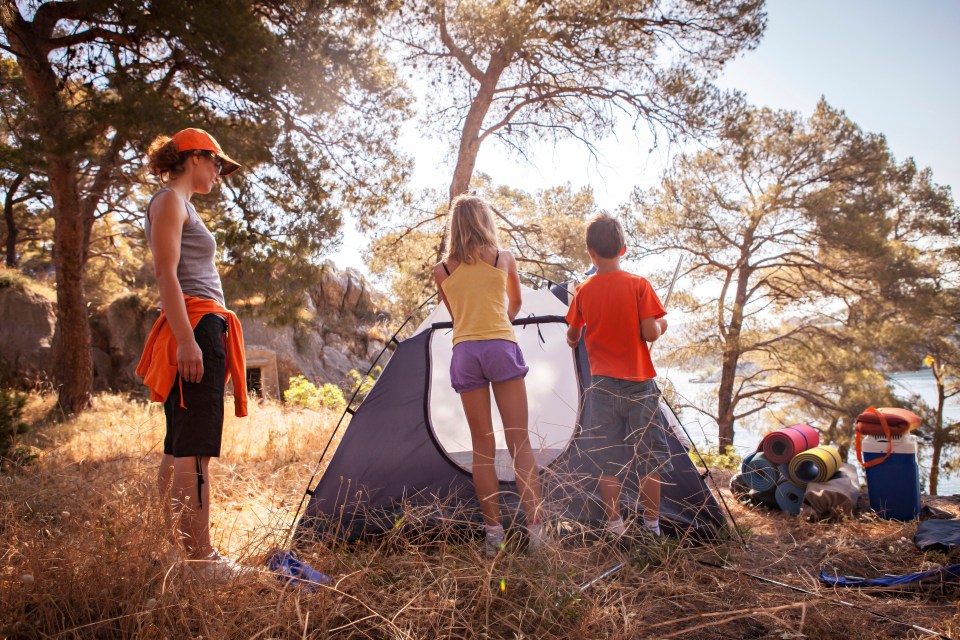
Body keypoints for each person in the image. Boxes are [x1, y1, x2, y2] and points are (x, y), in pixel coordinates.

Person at [136, 128, 249, 580]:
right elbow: (166, 274)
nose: (219, 175)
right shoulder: (168, 201)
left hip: (203, 325)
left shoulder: (182, 206)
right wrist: (186, 339)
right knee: (195, 447)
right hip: (195, 325)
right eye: (217, 164)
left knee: (179, 443)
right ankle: (202, 560)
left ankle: (170, 546)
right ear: (195, 156)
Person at [433, 195, 546, 557]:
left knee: (481, 448)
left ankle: (493, 535)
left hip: (465, 352)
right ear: (485, 222)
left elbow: (456, 314)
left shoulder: (443, 270)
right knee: (519, 444)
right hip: (500, 344)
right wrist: (500, 323)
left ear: (455, 226)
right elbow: (515, 304)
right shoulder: (503, 258)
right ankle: (537, 533)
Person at [564, 213, 673, 541]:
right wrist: (662, 324)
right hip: (639, 384)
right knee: (649, 458)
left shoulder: (583, 290)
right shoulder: (639, 285)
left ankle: (614, 525)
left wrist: (578, 335)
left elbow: (572, 336)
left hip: (602, 387)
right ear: (623, 250)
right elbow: (649, 331)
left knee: (606, 459)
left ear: (590, 253)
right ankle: (651, 526)